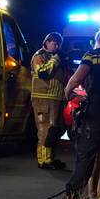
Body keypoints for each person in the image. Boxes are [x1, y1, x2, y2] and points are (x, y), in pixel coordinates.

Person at [53, 28, 100, 199]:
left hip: (96, 113)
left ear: (98, 40)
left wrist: (67, 92)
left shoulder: (93, 55)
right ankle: (94, 198)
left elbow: (76, 79)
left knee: (86, 158)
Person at [30, 32, 69, 170]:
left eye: (59, 44)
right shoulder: (39, 56)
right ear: (47, 42)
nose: (57, 46)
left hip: (56, 98)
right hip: (43, 98)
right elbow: (43, 73)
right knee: (44, 129)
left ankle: (51, 158)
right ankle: (43, 160)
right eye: (54, 43)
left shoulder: (56, 57)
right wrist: (57, 59)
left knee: (55, 130)